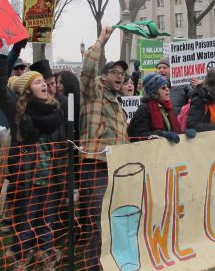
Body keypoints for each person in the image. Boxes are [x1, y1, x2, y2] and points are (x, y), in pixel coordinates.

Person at [5, 70, 68, 269]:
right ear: (28, 90)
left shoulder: (56, 111)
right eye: (38, 82)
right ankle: (20, 260)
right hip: (29, 180)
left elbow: (62, 147)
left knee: (47, 225)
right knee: (25, 225)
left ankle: (45, 260)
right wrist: (3, 54)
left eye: (45, 82)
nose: (45, 85)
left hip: (51, 179)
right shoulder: (20, 113)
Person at [78, 26, 128, 271]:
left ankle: (111, 263)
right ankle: (93, 266)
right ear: (104, 75)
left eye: (123, 74)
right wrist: (101, 40)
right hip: (95, 168)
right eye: (116, 72)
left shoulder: (118, 105)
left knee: (114, 220)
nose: (120, 77)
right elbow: (87, 69)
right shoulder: (93, 93)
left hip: (116, 170)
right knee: (96, 223)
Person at [128, 73, 182, 141]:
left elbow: (172, 131)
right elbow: (139, 135)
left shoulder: (168, 108)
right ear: (154, 91)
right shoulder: (144, 109)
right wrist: (162, 134)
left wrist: (184, 134)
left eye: (167, 86)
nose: (167, 89)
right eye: (163, 87)